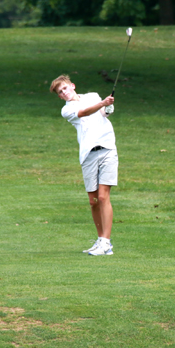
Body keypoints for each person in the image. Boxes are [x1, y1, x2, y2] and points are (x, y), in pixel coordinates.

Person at [50, 74, 118, 256]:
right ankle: (100, 240)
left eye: (65, 88)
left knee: (103, 197)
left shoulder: (93, 96)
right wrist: (103, 103)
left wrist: (108, 106)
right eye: (60, 92)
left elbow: (104, 114)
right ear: (60, 96)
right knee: (93, 201)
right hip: (88, 154)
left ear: (72, 85)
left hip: (107, 148)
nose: (64, 92)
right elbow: (84, 113)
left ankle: (106, 243)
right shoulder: (67, 110)